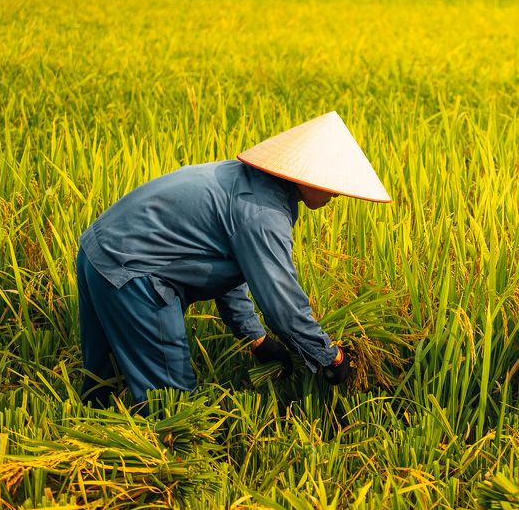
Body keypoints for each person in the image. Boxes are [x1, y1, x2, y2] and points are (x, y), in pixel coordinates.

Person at [76, 111, 390, 407]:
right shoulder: (263, 214)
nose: (337, 194)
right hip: (133, 274)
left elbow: (217, 263)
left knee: (105, 382)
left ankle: (93, 437)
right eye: (334, 185)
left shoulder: (243, 180)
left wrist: (254, 337)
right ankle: (168, 456)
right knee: (170, 404)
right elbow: (284, 309)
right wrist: (330, 357)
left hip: (97, 252)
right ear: (310, 176)